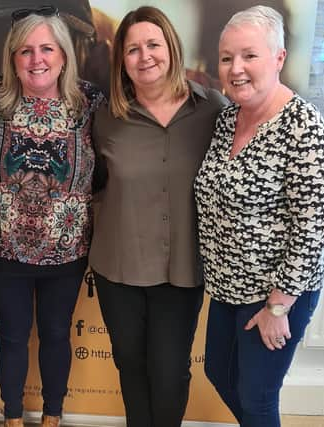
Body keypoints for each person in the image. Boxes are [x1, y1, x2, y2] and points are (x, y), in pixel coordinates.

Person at [194, 6, 324, 427]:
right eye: (226, 57)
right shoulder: (227, 119)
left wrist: (279, 306)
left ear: (278, 58)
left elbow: (310, 228)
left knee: (257, 398)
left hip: (275, 293)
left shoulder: (303, 127)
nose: (235, 68)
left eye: (249, 55)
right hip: (228, 287)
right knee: (218, 372)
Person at [89, 6, 228, 427]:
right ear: (121, 60)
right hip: (120, 269)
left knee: (169, 374)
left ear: (171, 47)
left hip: (182, 271)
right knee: (131, 368)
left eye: (153, 44)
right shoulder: (106, 118)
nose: (144, 56)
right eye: (133, 49)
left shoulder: (213, 111)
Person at [0, 7, 104, 427]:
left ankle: (53, 416)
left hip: (66, 252)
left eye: (47, 48)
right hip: (3, 250)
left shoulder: (89, 102)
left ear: (64, 54)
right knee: (11, 338)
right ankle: (12, 416)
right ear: (12, 57)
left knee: (55, 336)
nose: (37, 60)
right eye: (25, 50)